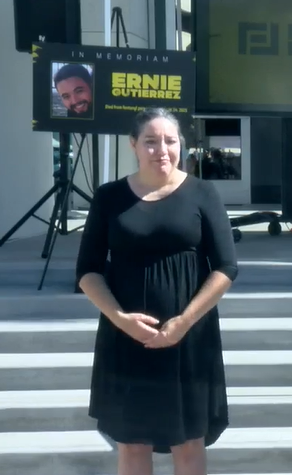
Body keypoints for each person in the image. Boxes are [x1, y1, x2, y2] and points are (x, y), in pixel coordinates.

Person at [76, 108, 238, 475]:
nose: (161, 149)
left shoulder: (203, 193)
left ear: (180, 144)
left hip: (189, 339)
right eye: (150, 141)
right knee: (132, 444)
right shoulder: (109, 197)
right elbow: (87, 270)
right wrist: (121, 320)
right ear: (133, 145)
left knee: (189, 442)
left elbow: (227, 267)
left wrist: (183, 322)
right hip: (126, 339)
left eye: (169, 140)